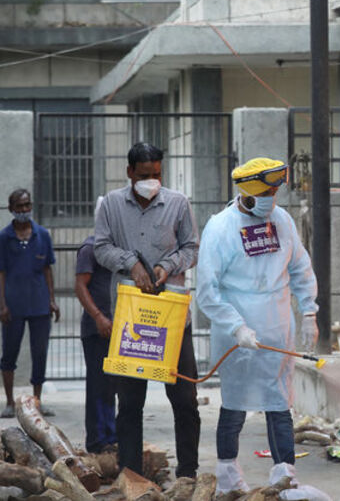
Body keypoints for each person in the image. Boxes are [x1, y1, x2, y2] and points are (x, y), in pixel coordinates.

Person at [196, 157, 318, 493]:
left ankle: (284, 474)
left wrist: (309, 311)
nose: (271, 200)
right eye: (265, 193)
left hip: (278, 329)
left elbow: (300, 268)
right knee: (235, 403)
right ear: (246, 194)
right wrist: (236, 326)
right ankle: (227, 476)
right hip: (237, 337)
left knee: (279, 403)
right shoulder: (220, 228)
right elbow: (207, 292)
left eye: (274, 193)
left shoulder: (282, 221)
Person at [94, 142, 201, 478]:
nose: (151, 181)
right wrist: (130, 264)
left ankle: (188, 473)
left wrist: (166, 267)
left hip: (172, 319)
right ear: (129, 173)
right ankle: (131, 475)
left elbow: (192, 248)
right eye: (144, 175)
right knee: (128, 405)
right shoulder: (110, 205)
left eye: (156, 174)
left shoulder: (179, 204)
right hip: (131, 320)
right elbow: (101, 247)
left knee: (185, 399)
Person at [0, 188, 60, 418]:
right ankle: (10, 402)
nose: (24, 210)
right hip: (14, 306)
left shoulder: (42, 235)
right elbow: (0, 273)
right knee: (9, 353)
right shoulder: (4, 238)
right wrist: (2, 304)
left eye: (27, 205)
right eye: (19, 206)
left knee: (40, 352)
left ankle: (37, 401)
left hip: (39, 305)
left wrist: (52, 300)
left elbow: (47, 269)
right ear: (11, 209)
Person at [74, 196, 117, 454]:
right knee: (99, 386)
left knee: (114, 386)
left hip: (118, 328)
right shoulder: (90, 248)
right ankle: (97, 441)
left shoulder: (116, 248)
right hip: (96, 330)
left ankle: (112, 437)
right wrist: (99, 317)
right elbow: (80, 287)